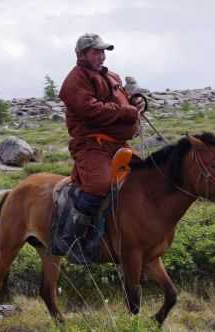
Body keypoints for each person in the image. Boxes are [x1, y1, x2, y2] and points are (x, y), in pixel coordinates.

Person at [52, 33, 144, 258]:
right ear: (81, 54)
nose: (101, 56)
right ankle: (72, 239)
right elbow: (90, 111)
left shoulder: (111, 75)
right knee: (99, 186)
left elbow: (121, 102)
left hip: (117, 145)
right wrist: (125, 112)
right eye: (96, 52)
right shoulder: (74, 80)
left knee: (144, 178)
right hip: (91, 145)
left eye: (103, 52)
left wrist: (135, 102)